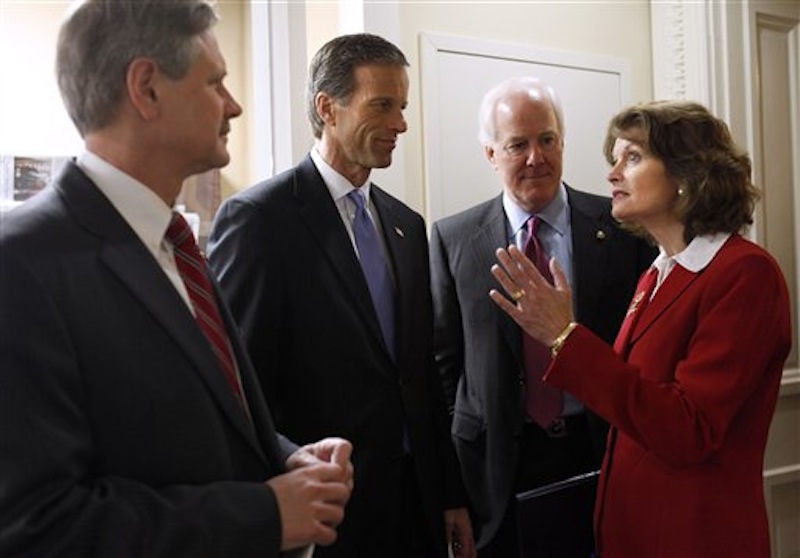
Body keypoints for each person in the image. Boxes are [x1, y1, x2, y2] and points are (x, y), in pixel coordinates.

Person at [0, 2, 354, 556]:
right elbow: (38, 527)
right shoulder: (21, 265)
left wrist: (286, 457)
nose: (233, 106)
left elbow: (204, 414)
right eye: (215, 82)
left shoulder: (176, 245)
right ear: (147, 88)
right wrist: (264, 512)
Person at [207, 33, 475, 558]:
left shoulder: (406, 225)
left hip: (413, 506)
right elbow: (240, 387)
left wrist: (449, 495)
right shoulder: (260, 220)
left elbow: (421, 377)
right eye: (383, 106)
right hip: (324, 513)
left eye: (402, 107)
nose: (400, 124)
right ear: (327, 108)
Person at [490, 100, 792, 557]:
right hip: (634, 531)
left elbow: (688, 429)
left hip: (695, 536)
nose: (612, 174)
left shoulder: (744, 273)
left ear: (687, 175)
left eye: (632, 158)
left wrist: (564, 337)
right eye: (615, 159)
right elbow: (632, 402)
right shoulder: (656, 273)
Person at [428, 76, 657, 556]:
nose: (536, 157)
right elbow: (445, 368)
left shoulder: (621, 230)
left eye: (547, 139)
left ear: (562, 141)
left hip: (597, 450)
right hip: (495, 470)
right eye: (518, 145)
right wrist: (454, 489)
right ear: (491, 154)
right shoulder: (454, 240)